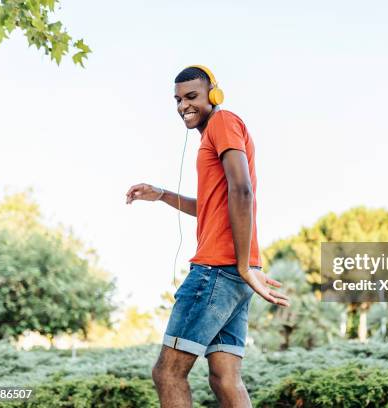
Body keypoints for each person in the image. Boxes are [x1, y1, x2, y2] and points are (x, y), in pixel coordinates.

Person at [125, 65, 289, 408]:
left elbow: (242, 191)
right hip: (234, 275)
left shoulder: (223, 122)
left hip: (217, 271)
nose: (184, 105)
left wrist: (243, 267)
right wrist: (163, 194)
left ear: (214, 94)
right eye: (178, 99)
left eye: (192, 96)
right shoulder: (213, 134)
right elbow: (216, 205)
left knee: (167, 373)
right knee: (225, 377)